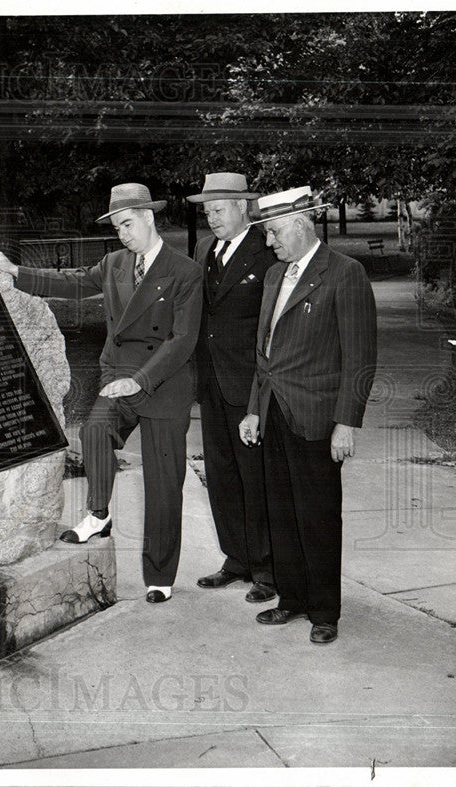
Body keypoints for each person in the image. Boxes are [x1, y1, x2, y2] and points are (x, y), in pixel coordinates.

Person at [0, 183, 203, 604]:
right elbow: (71, 283)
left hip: (164, 383)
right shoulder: (115, 263)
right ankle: (99, 514)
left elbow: (182, 339)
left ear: (149, 217)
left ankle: (160, 575)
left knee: (163, 486)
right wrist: (16, 272)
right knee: (94, 431)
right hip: (120, 373)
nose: (122, 234)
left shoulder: (185, 272)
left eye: (127, 224)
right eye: (117, 227)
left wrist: (140, 379)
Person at [239, 186, 377, 645]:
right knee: (280, 511)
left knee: (318, 515)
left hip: (318, 417)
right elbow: (265, 354)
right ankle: (293, 599)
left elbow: (360, 357)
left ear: (301, 224)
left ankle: (324, 611)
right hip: (275, 410)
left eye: (275, 232)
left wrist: (347, 422)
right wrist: (254, 410)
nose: (269, 242)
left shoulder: (345, 273)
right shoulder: (276, 276)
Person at [187, 173, 277, 604]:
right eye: (207, 211)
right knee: (221, 477)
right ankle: (236, 559)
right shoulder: (205, 249)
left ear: (243, 207)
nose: (211, 218)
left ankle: (267, 568)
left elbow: (272, 328)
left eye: (218, 210)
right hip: (211, 384)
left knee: (256, 477)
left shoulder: (268, 250)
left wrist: (261, 392)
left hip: (249, 386)